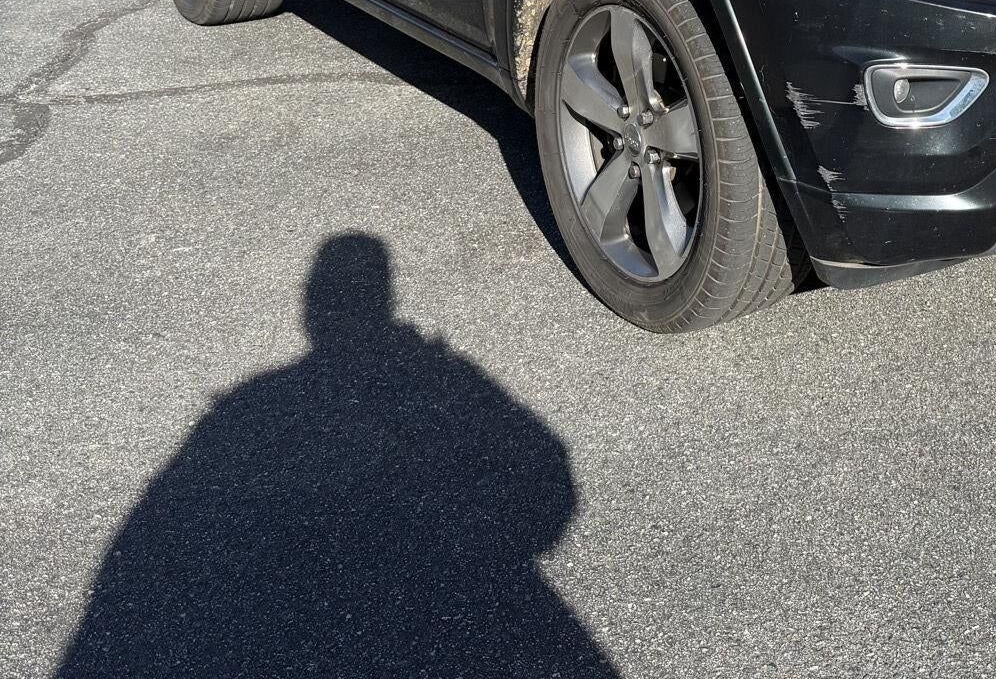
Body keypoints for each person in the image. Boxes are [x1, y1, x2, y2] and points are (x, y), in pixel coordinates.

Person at [54, 233, 618, 678]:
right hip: (500, 601)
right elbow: (552, 483)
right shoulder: (423, 369)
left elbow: (144, 561)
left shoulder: (245, 409)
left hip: (284, 622)